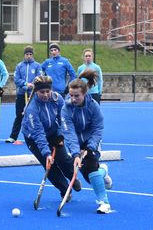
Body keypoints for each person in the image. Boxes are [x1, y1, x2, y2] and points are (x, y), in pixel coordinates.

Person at [22, 75, 81, 201]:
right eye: (42, 92)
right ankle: (65, 190)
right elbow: (38, 133)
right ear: (36, 91)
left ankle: (72, 178)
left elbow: (63, 118)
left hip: (53, 132)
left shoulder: (57, 99)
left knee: (64, 159)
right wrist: (47, 153)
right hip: (33, 138)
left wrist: (60, 134)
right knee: (49, 165)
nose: (45, 94)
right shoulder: (31, 109)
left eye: (48, 91)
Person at [61, 69, 113, 214]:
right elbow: (69, 132)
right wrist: (76, 154)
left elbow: (98, 128)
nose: (73, 98)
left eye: (77, 96)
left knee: (91, 170)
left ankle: (105, 203)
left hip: (92, 142)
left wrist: (90, 147)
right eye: (71, 95)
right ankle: (103, 171)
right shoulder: (66, 108)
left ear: (84, 94)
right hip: (76, 143)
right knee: (91, 178)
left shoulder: (93, 106)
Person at [6, 45, 42, 144]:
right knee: (19, 115)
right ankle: (13, 136)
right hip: (21, 94)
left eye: (30, 54)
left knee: (33, 115)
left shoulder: (37, 66)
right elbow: (16, 79)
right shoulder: (19, 66)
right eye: (27, 54)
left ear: (33, 55)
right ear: (24, 55)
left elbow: (39, 77)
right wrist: (25, 84)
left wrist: (32, 85)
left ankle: (34, 136)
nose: (28, 56)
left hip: (32, 95)